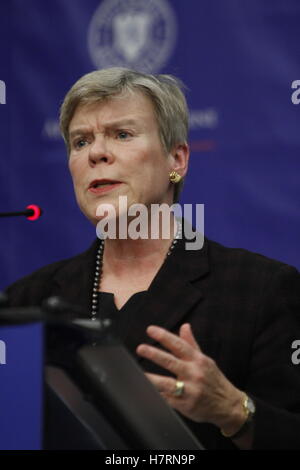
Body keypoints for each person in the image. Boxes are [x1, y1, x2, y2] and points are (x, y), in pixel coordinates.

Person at [5, 68, 300, 450]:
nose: (96, 152)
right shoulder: (28, 300)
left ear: (176, 160)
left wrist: (233, 410)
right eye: (80, 142)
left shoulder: (261, 290)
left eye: (122, 134)